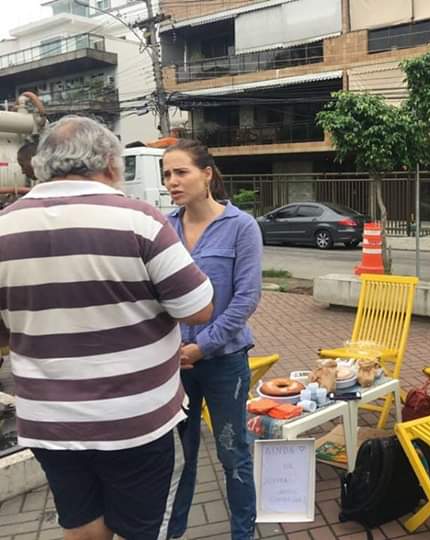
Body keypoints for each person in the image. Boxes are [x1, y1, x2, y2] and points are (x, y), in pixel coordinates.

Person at [0, 116, 214, 540]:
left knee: (82, 529)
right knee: (139, 529)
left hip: (49, 423)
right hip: (133, 419)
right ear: (111, 165)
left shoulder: (4, 226)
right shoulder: (140, 220)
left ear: (41, 167)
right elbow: (199, 309)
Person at [164, 139, 263, 540]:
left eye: (181, 172)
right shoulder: (164, 227)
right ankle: (173, 531)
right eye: (167, 174)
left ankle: (243, 532)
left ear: (207, 174)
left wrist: (202, 345)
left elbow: (246, 298)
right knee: (179, 457)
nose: (173, 181)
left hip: (224, 362)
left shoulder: (241, 226)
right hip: (176, 365)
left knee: (231, 450)